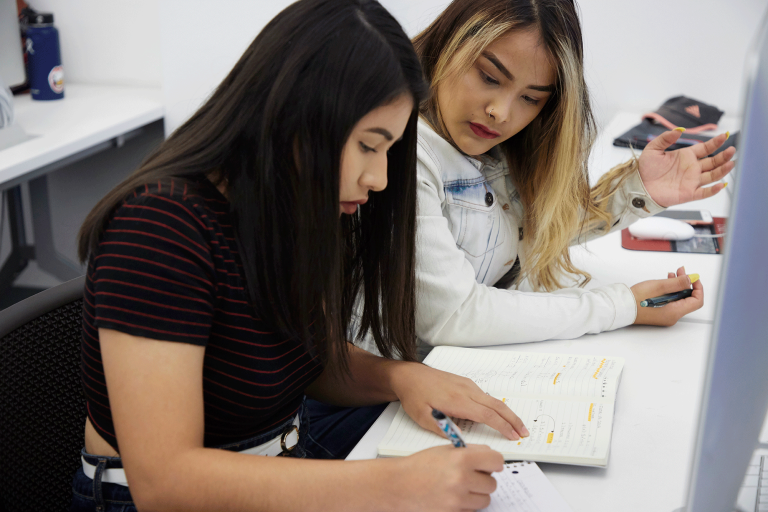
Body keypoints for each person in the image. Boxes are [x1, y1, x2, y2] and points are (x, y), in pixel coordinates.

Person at [70, 1, 528, 511]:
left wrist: (401, 376)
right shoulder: (159, 227)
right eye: (368, 146)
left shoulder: (292, 204)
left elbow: (302, 360)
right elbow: (165, 481)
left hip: (286, 460)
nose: (378, 179)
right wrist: (393, 485)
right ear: (298, 116)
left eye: (389, 151)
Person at [364, 0, 735, 352]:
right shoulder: (400, 151)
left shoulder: (487, 145)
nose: (501, 112)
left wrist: (638, 190)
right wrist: (622, 306)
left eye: (531, 98)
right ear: (449, 42)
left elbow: (529, 226)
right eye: (489, 77)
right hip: (376, 408)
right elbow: (454, 315)